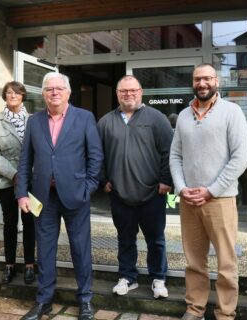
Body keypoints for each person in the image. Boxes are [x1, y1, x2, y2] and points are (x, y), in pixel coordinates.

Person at [16, 72, 103, 320]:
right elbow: (25, 161)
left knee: (80, 249)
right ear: (43, 94)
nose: (54, 92)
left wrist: (88, 188)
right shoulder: (34, 121)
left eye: (58, 88)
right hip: (42, 198)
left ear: (68, 92)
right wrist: (22, 193)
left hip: (76, 195)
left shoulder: (84, 118)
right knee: (44, 250)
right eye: (49, 89)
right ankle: (44, 301)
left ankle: (85, 300)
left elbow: (95, 157)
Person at [170, 63, 247, 320]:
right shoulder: (183, 115)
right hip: (189, 201)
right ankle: (195, 308)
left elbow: (240, 158)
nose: (201, 83)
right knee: (194, 261)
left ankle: (225, 313)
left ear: (217, 81)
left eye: (206, 78)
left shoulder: (232, 112)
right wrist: (181, 188)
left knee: (226, 262)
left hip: (221, 200)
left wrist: (211, 190)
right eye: (197, 79)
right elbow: (175, 156)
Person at [97, 75, 173, 299]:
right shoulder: (105, 122)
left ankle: (158, 278)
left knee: (156, 240)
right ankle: (127, 277)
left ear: (141, 92)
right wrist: (103, 180)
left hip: (152, 193)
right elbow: (96, 153)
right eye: (123, 91)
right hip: (120, 195)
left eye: (133, 90)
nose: (128, 94)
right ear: (117, 94)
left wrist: (166, 181)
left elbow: (169, 151)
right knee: (125, 239)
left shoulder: (156, 118)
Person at [0, 81, 35, 285]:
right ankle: (9, 264)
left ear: (23, 95)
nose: (12, 95)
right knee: (9, 223)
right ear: (4, 97)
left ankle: (30, 265)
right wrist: (15, 175)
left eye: (16, 92)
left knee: (30, 222)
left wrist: (29, 175)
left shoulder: (33, 120)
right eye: (8, 93)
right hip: (6, 181)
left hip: (31, 181)